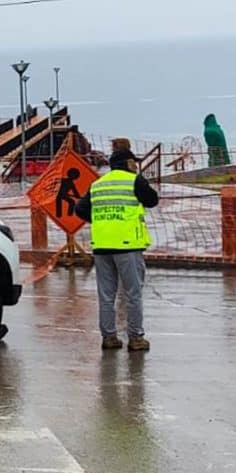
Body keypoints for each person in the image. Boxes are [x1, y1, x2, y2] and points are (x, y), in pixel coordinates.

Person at [75, 148, 159, 352]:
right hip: (127, 245)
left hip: (102, 246)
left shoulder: (97, 184)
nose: (136, 165)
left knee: (106, 295)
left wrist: (103, 222)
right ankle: (136, 337)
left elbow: (80, 209)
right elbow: (152, 200)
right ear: (128, 163)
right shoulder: (134, 180)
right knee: (133, 293)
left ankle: (109, 337)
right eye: (134, 162)